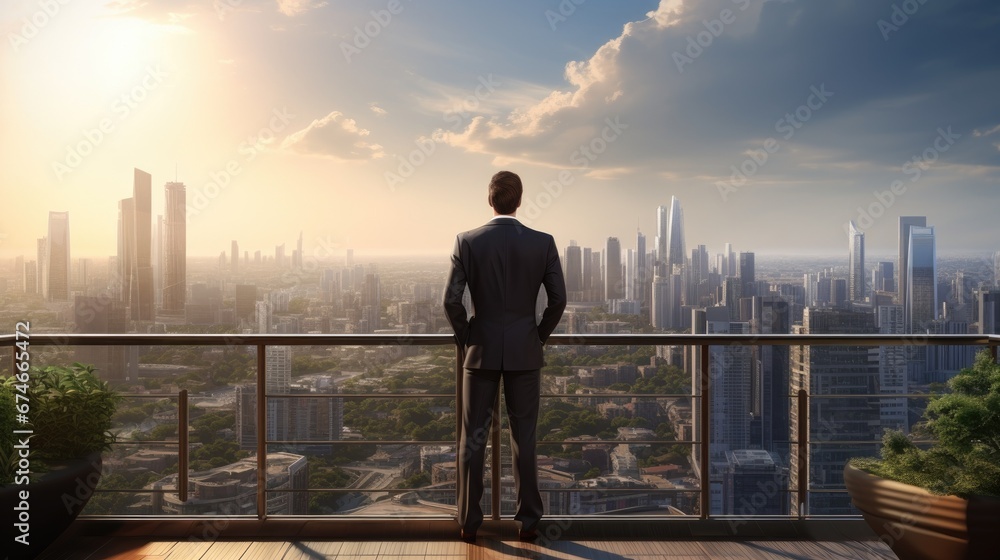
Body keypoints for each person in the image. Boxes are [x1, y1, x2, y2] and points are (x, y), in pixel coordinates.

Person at [443, 170, 567, 543]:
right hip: (525, 353)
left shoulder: (467, 241)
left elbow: (451, 301)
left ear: (490, 199)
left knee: (472, 440)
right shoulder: (542, 242)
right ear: (520, 199)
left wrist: (470, 338)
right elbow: (558, 300)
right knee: (524, 438)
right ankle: (528, 523)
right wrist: (536, 337)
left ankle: (468, 523)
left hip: (479, 354)